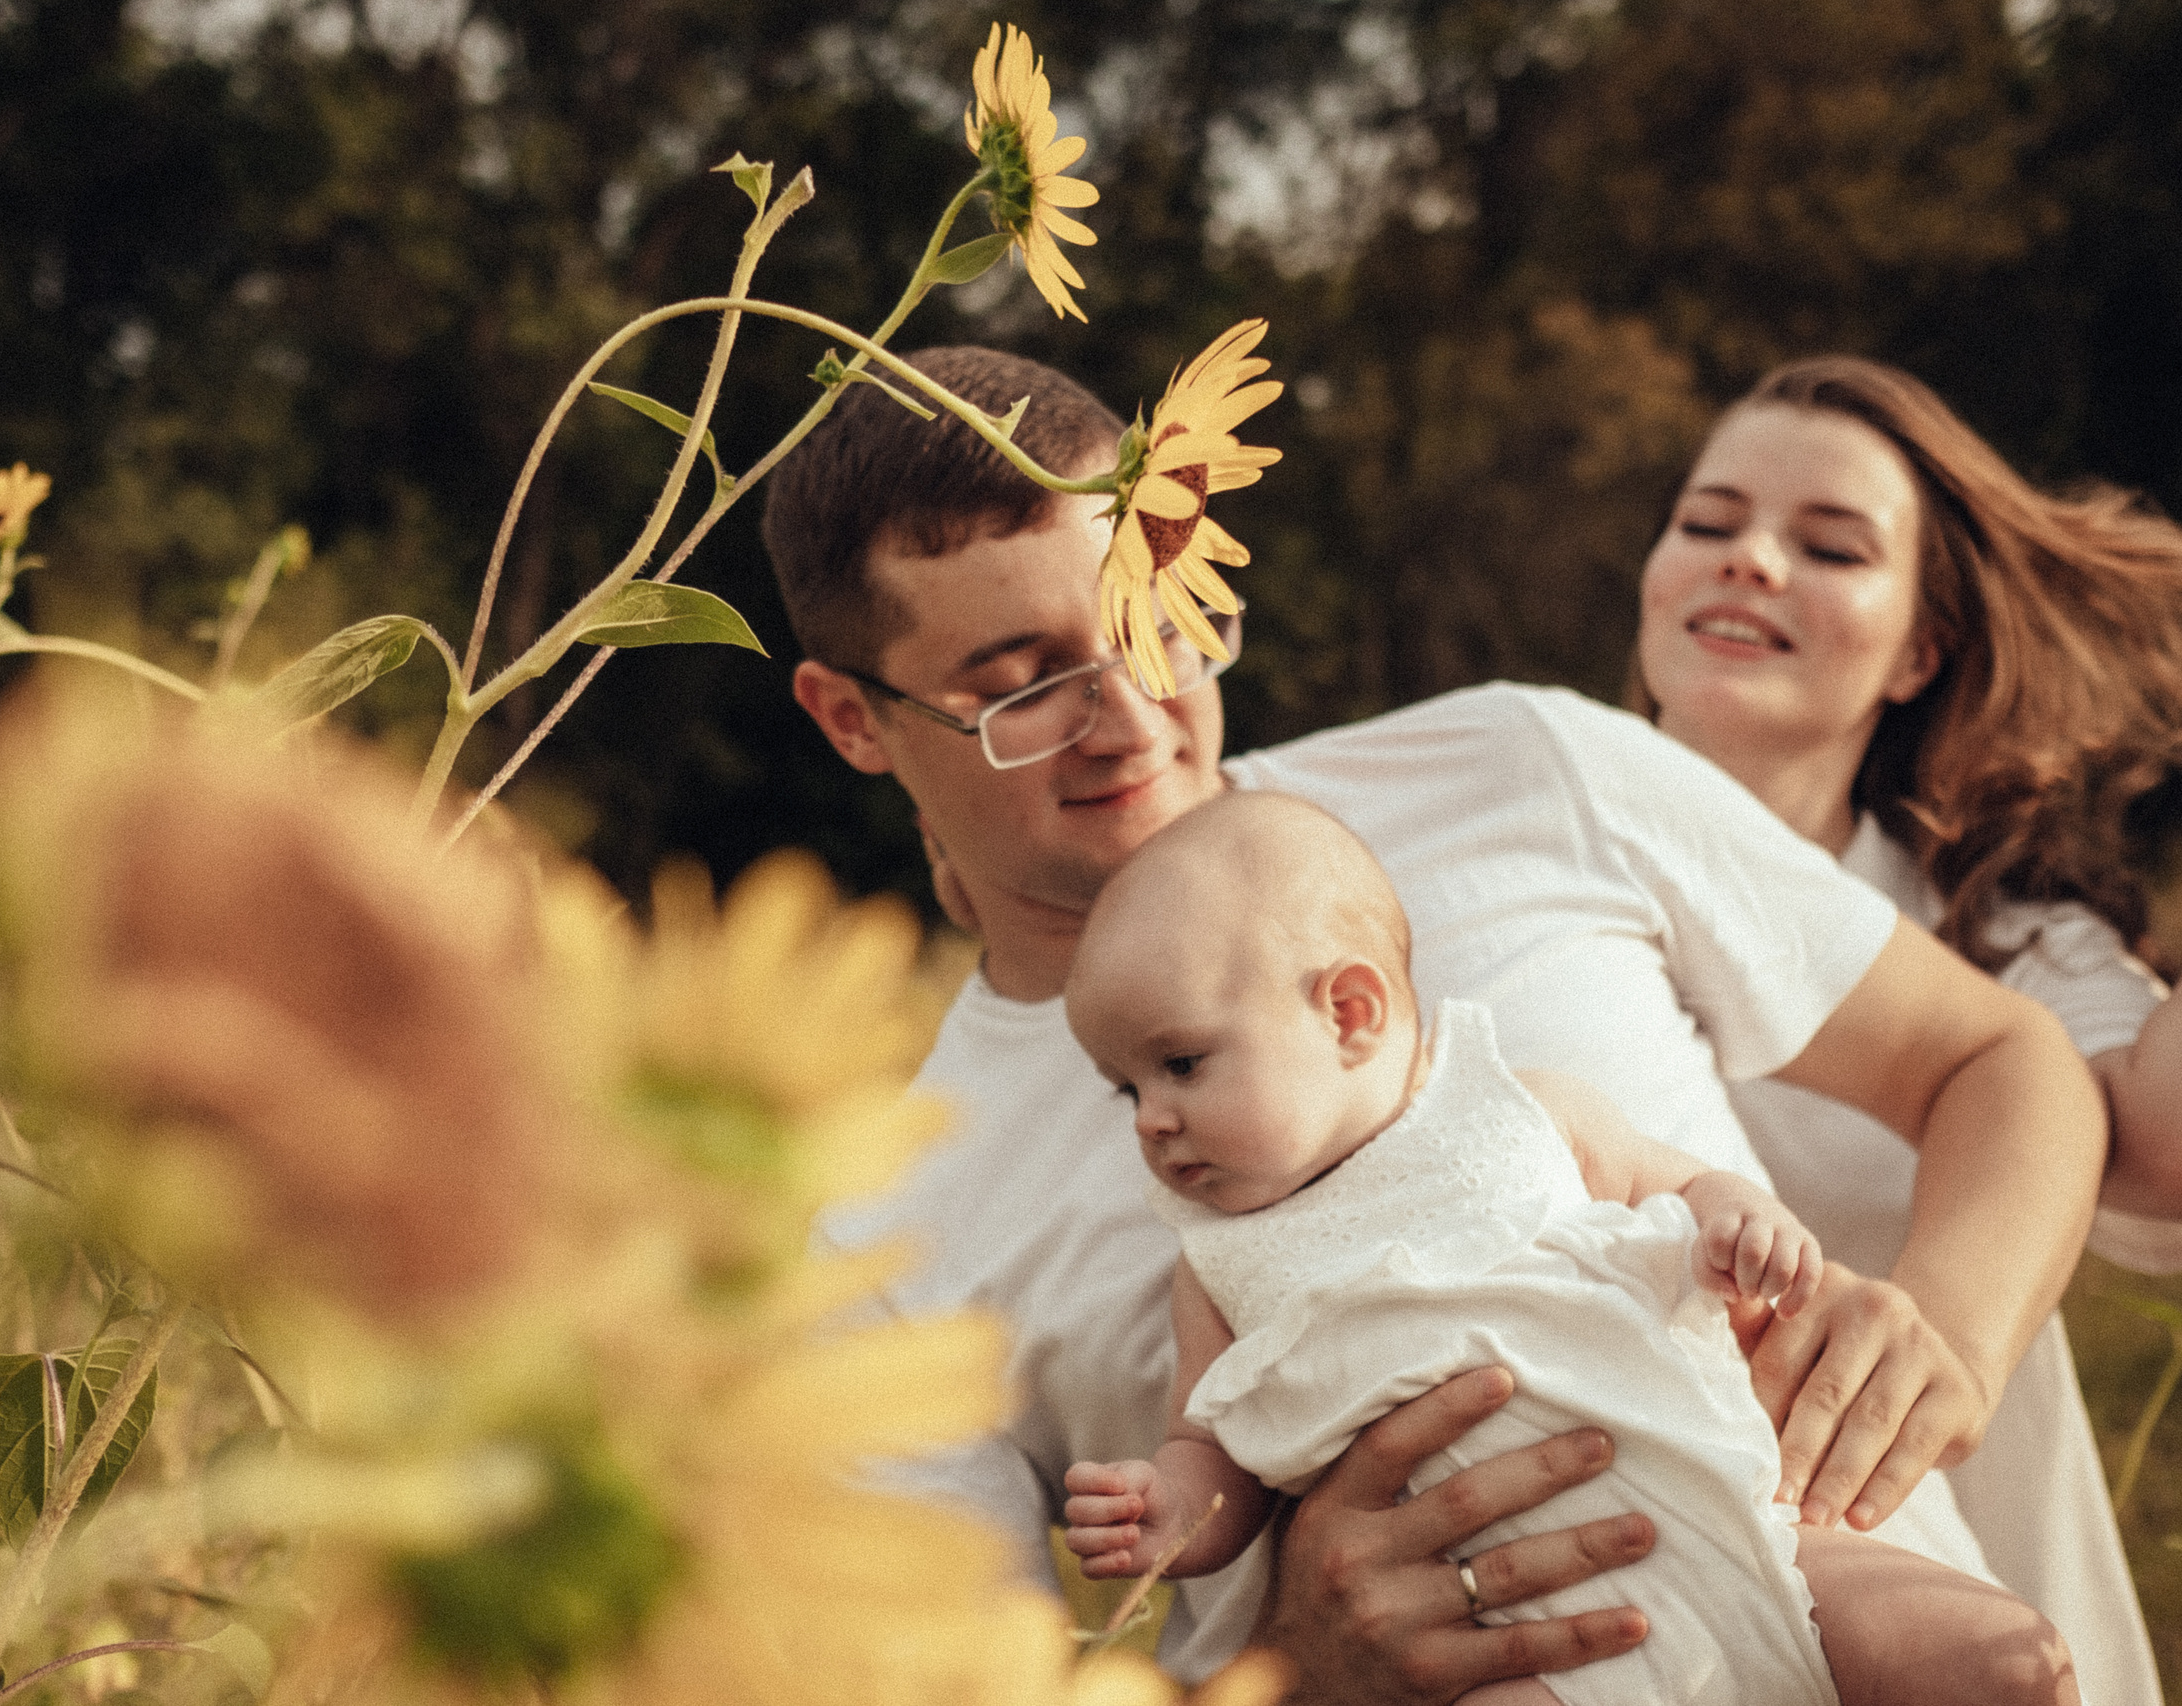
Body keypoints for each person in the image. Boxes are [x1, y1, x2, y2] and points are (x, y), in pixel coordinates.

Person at [766, 345, 2105, 1702]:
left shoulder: (1518, 765)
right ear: (850, 719)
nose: (1135, 717)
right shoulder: (885, 1241)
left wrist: (1951, 1325)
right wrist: (1300, 1665)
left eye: (1152, 618)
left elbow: (2003, 1060)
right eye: (1021, 684)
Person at [1055, 790, 2074, 1706]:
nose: (1150, 1121)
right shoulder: (1223, 1263)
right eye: (1127, 1088)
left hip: (1746, 1531)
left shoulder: (1516, 1109)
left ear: (1349, 1014)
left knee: (1999, 1659)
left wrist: (1740, 1225)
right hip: (1523, 1646)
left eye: (1180, 1064)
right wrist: (1171, 1508)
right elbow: (1211, 1445)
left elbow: (1678, 1184)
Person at [1632, 353, 2182, 1704]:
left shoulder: (2002, 933)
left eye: (1827, 544)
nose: (1749, 560)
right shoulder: (1503, 843)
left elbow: (2167, 1149)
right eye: (1708, 523)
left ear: (1919, 647)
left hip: (1971, 1633)